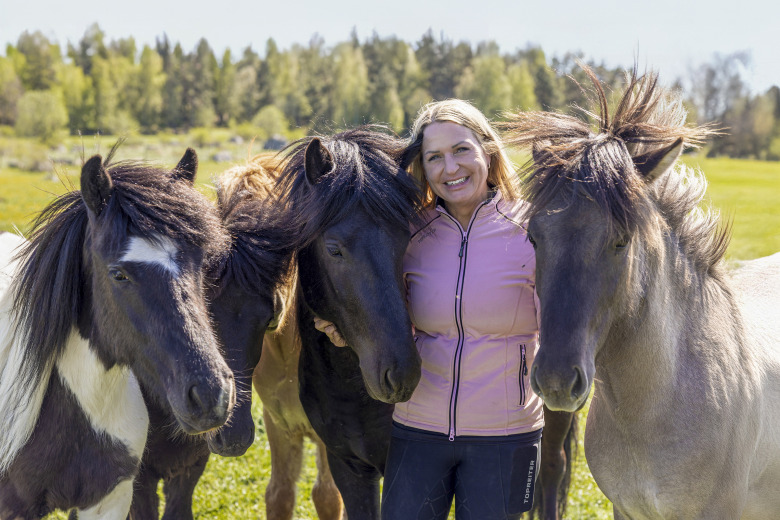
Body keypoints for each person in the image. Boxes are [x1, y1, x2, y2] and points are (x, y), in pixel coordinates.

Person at [316, 99, 543, 520]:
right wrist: (344, 329)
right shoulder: (408, 233)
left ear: (487, 151)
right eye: (434, 157)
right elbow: (385, 309)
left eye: (461, 150)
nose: (450, 168)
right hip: (418, 427)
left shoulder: (532, 231)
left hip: (506, 432)